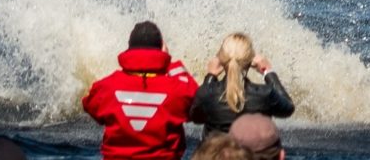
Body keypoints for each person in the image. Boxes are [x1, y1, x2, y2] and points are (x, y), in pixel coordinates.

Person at [83, 20, 200, 160]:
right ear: (162, 49)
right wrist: (171, 64)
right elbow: (199, 101)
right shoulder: (177, 89)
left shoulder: (107, 86)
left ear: (129, 50)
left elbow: (89, 104)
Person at [190, 32, 294, 137]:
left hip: (215, 152)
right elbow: (288, 109)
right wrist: (268, 72)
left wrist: (211, 75)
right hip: (252, 152)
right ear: (251, 59)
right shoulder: (265, 94)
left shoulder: (207, 92)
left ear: (221, 59)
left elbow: (197, 118)